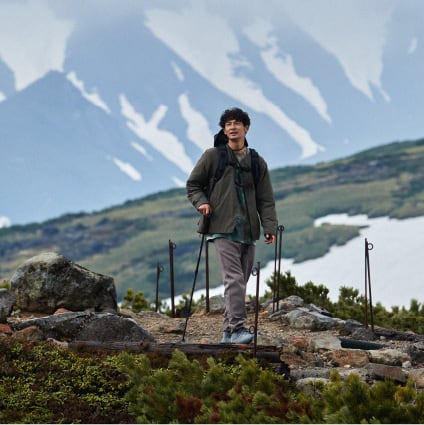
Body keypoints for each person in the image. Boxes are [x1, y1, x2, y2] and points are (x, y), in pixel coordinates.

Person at [186, 107, 278, 344]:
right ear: (224, 130)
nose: (233, 127)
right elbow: (193, 185)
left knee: (240, 281)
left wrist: (269, 226)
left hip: (248, 231)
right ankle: (238, 329)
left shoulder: (257, 161)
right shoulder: (213, 156)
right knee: (235, 279)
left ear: (246, 128)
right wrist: (202, 203)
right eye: (228, 124)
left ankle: (228, 333)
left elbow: (265, 199)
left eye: (237, 123)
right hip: (221, 228)